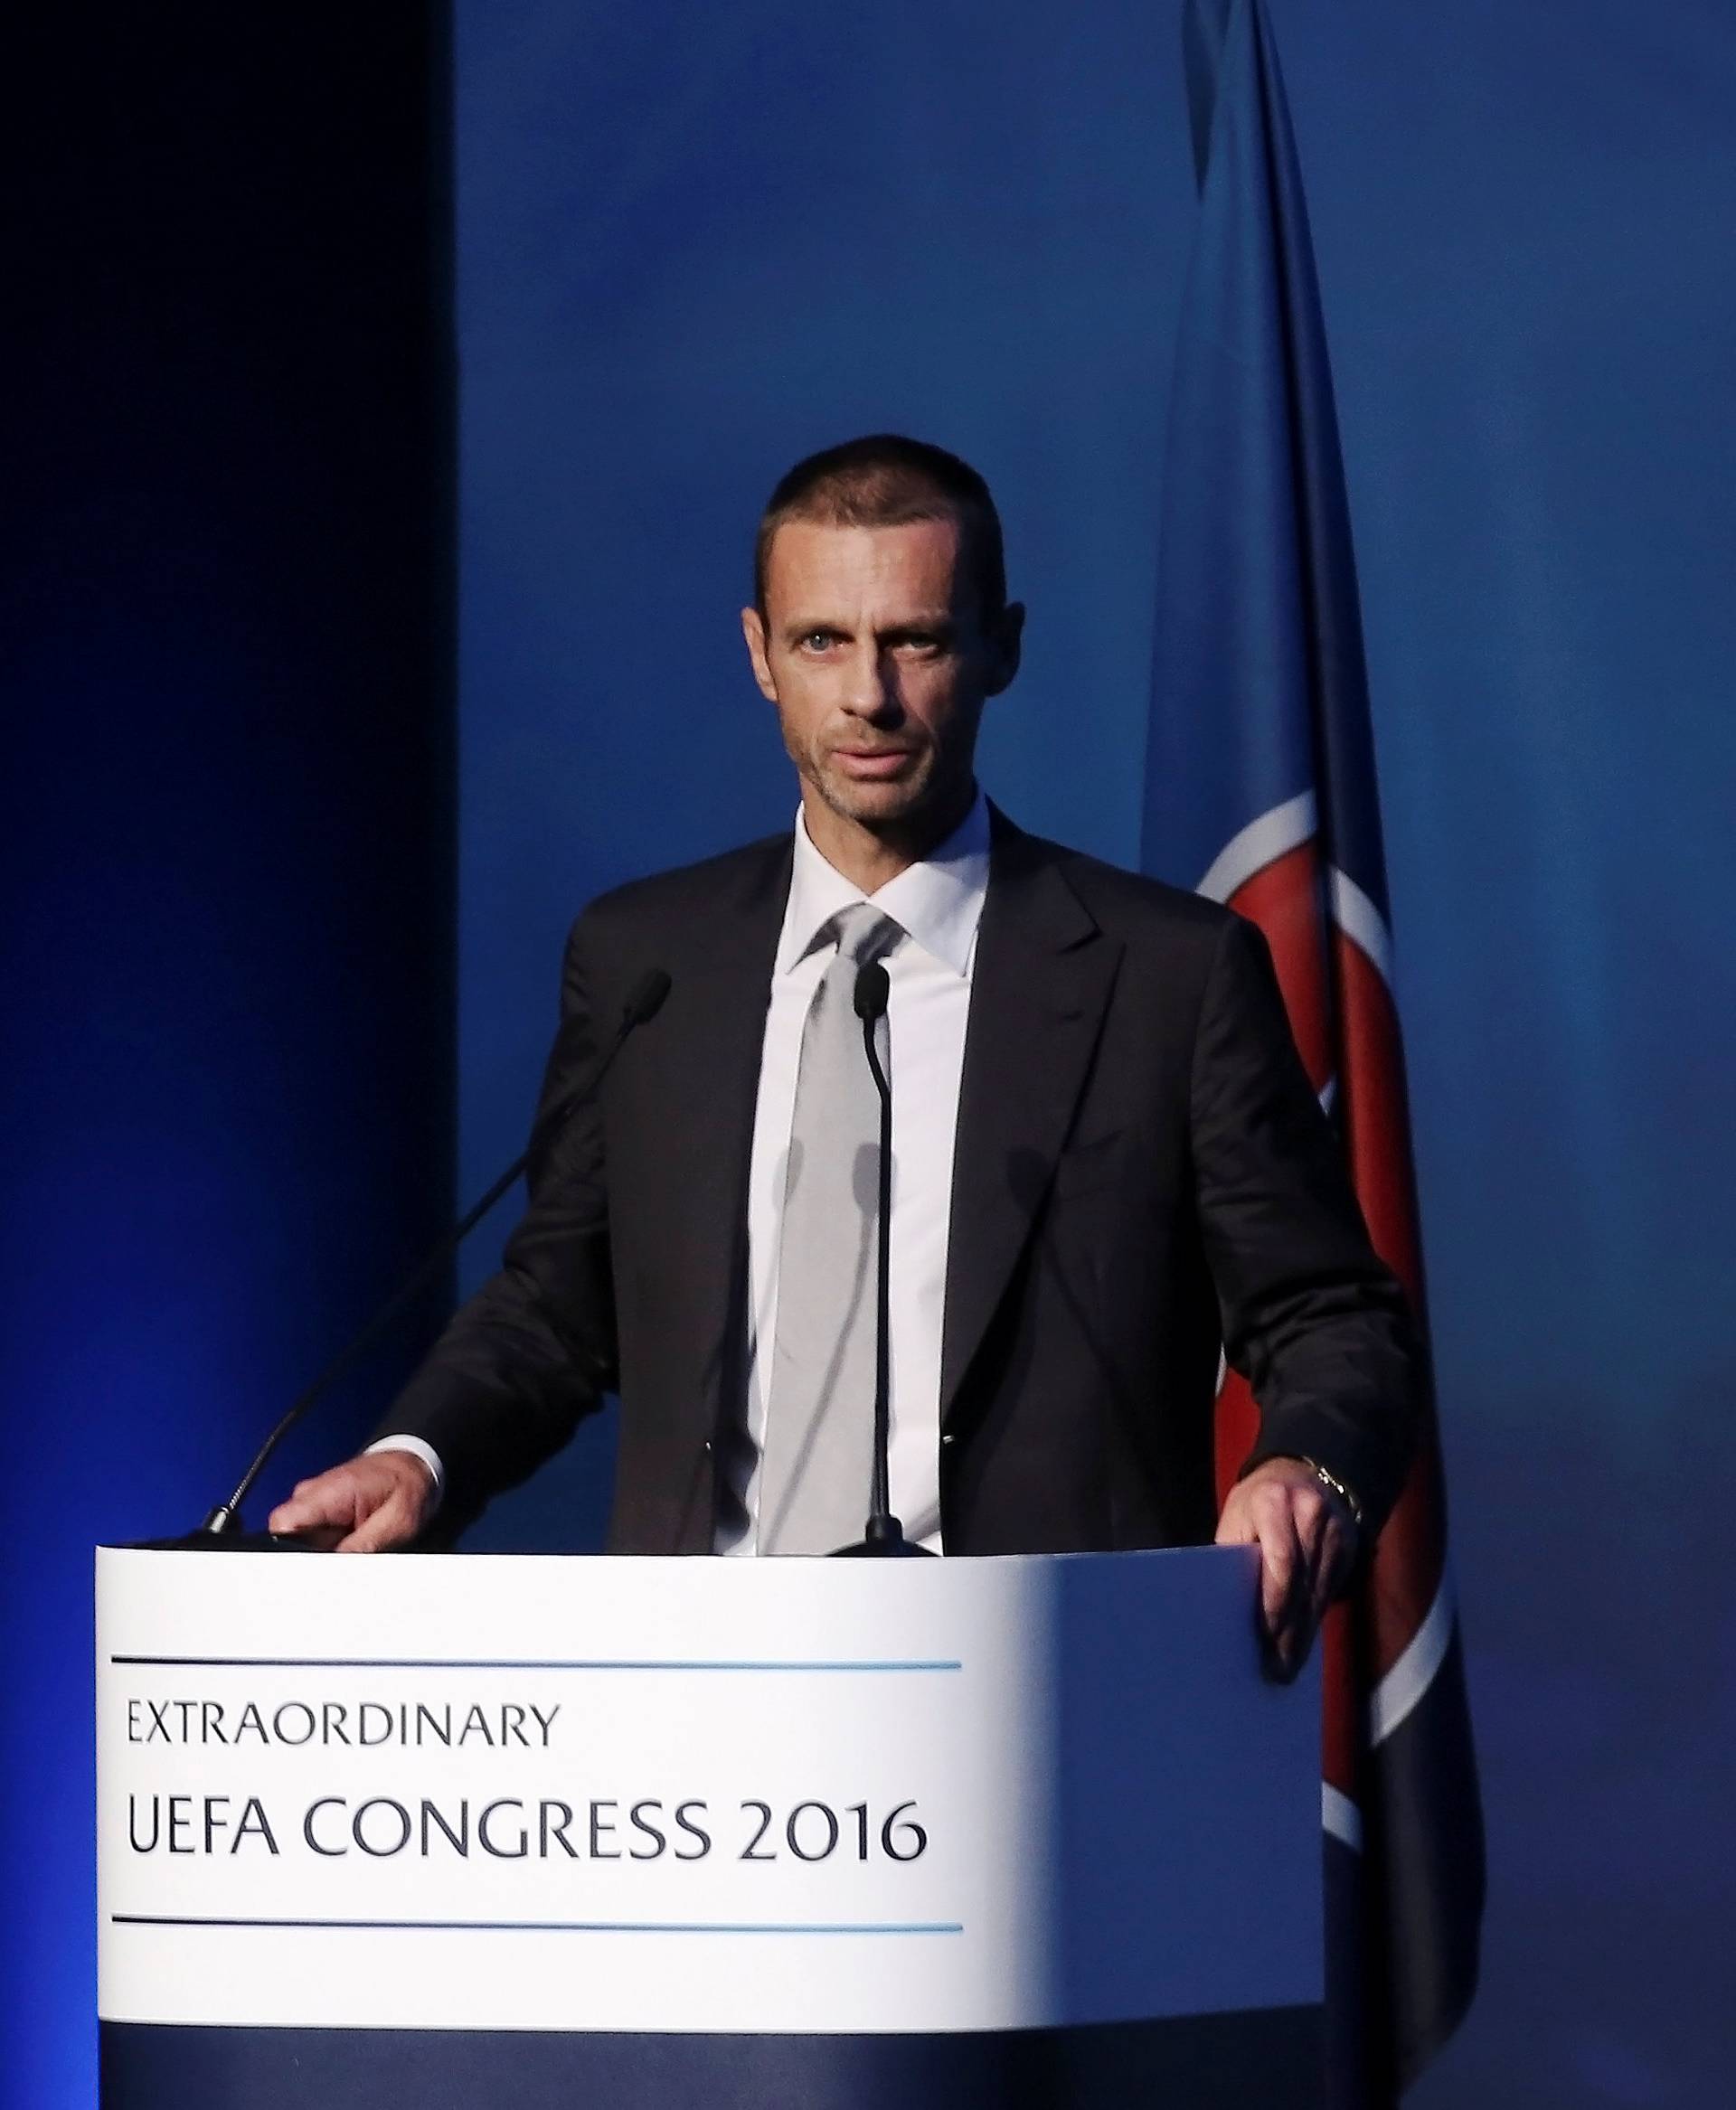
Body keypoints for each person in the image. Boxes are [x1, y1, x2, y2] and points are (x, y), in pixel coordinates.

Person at [271, 434, 1417, 1678]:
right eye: (823, 641)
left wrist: (1305, 1464)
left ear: (1001, 648)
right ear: (761, 654)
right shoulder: (648, 959)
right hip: (695, 1695)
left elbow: (1332, 1316)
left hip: (1036, 1700)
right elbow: (560, 1300)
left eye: (915, 640)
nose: (868, 695)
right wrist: (417, 1456)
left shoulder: (1167, 977)